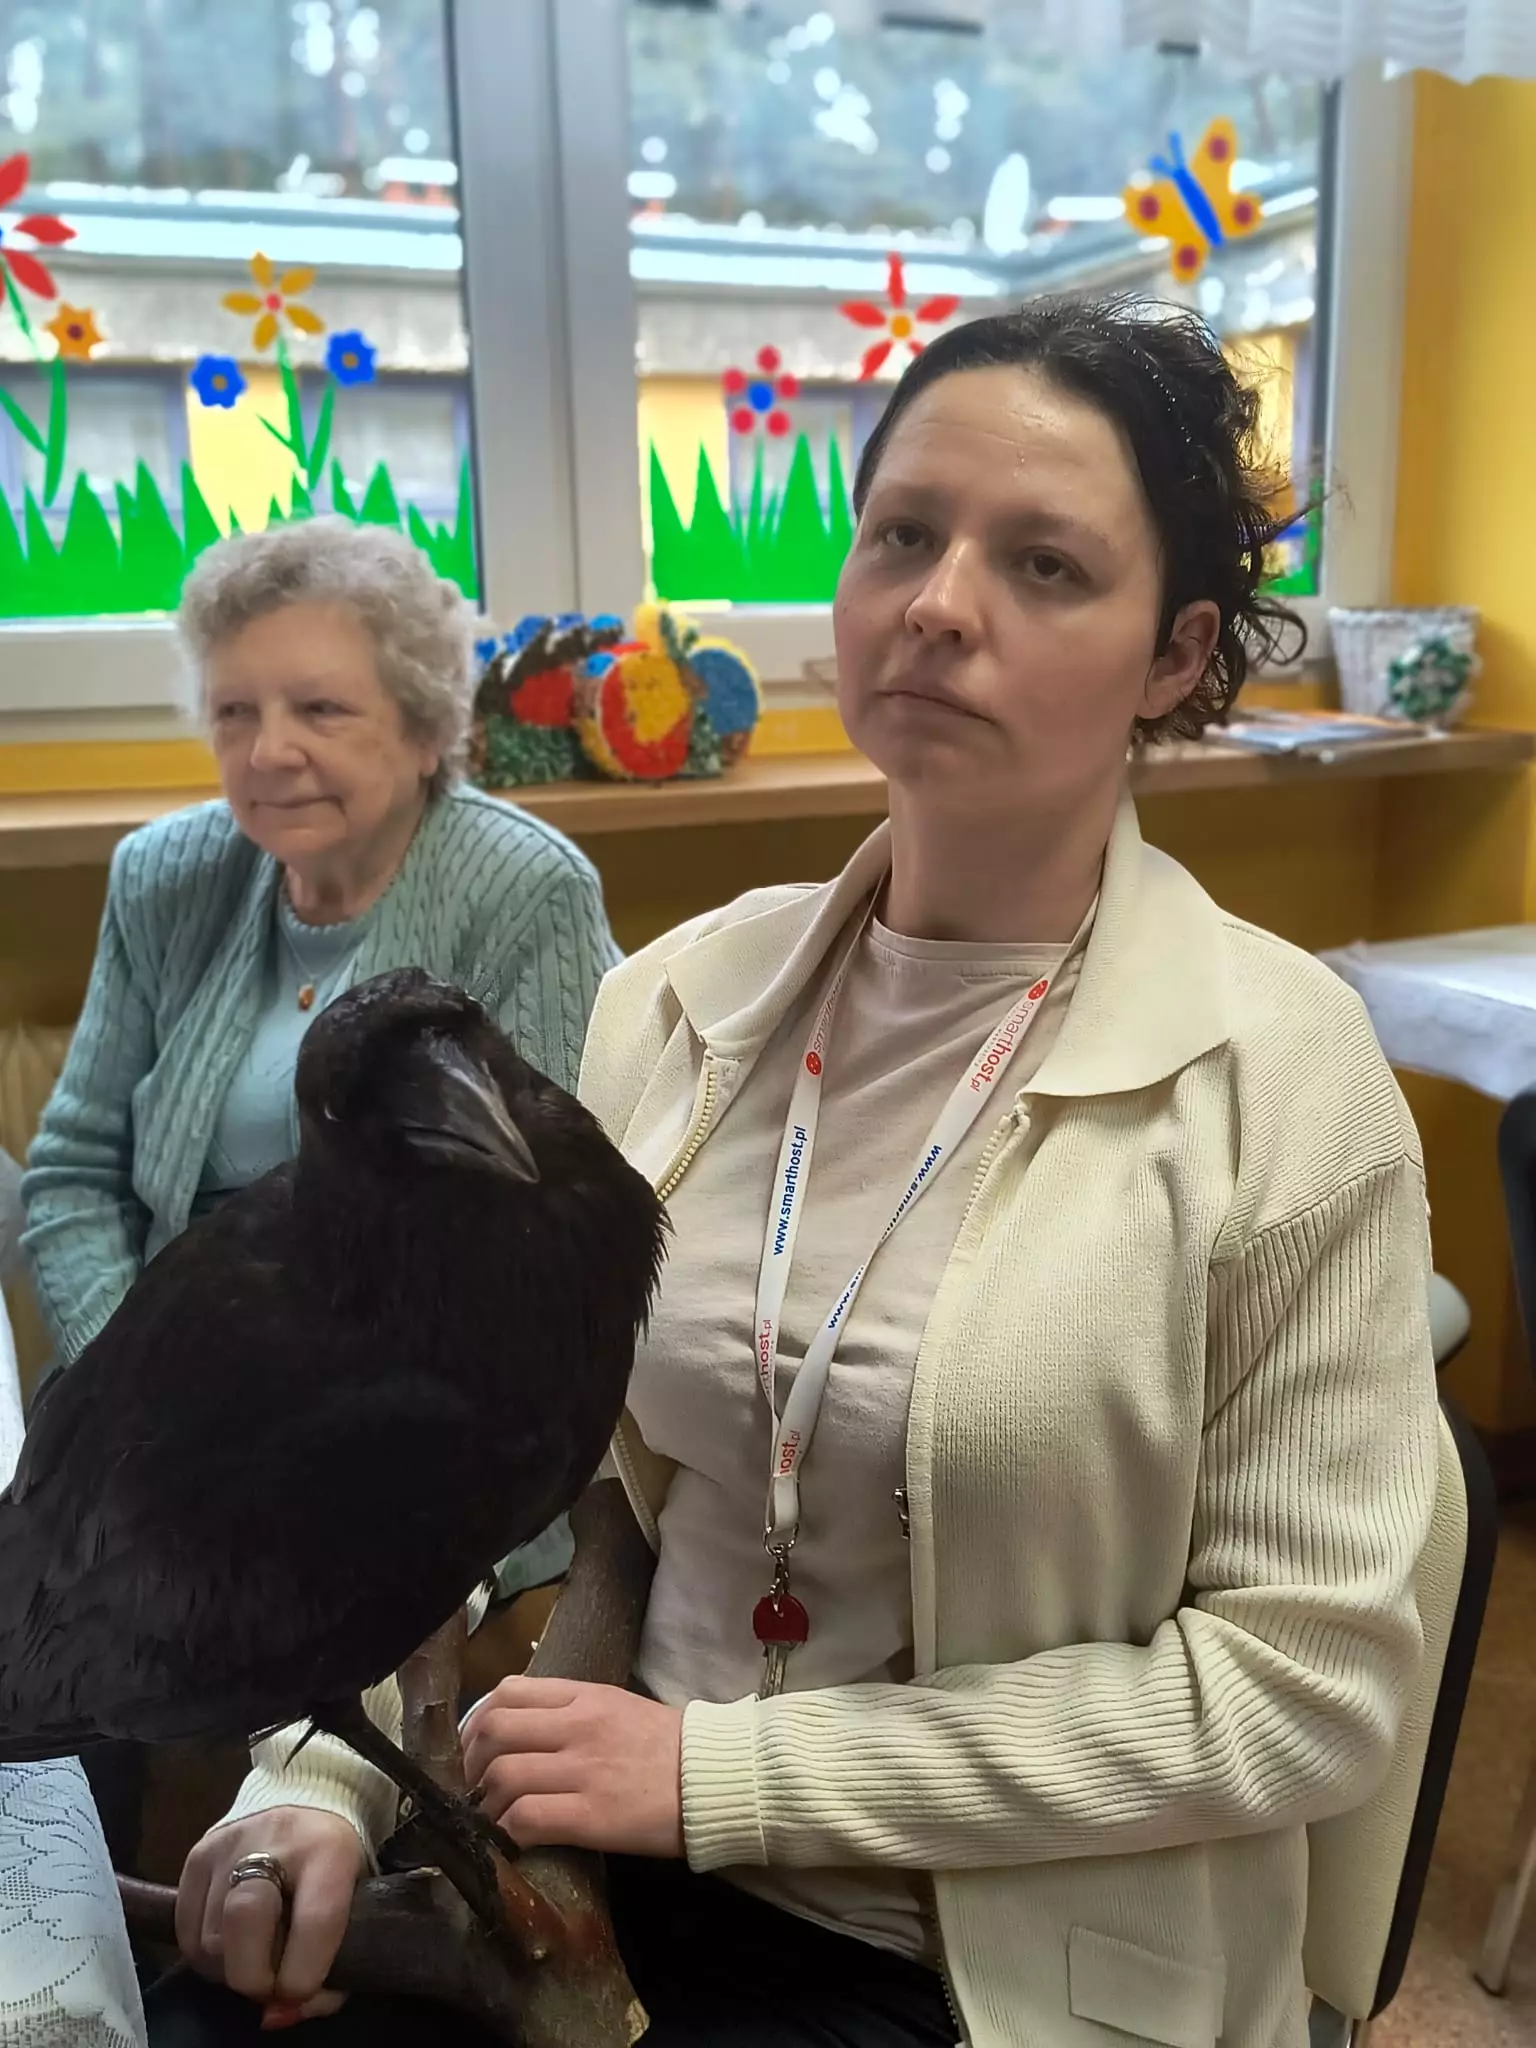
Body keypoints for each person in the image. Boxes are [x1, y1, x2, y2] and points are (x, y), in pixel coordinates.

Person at [151, 300, 1439, 2048]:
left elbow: (1306, 1693)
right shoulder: (678, 1005)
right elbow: (473, 1460)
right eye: (903, 534)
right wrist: (323, 1776)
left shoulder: (1284, 1075)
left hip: (972, 1964)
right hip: (593, 1867)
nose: (940, 603)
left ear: (1174, 653)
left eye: (1045, 565)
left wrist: (724, 1776)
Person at [23, 519, 617, 1862]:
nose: (267, 749)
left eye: (320, 709)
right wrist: (151, 1413)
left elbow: (546, 1260)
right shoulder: (166, 878)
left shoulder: (522, 891)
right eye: (235, 710)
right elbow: (69, 1175)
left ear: (424, 725)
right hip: (166, 1410)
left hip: (423, 1441)